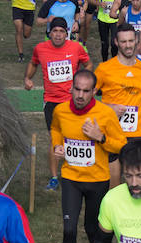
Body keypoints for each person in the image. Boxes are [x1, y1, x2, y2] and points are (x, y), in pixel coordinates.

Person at [50, 69, 128, 243]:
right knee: (69, 229)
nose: (80, 95)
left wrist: (100, 137)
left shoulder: (104, 113)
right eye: (77, 89)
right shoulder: (60, 110)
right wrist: (57, 145)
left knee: (93, 228)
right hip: (71, 178)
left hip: (97, 180)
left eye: (86, 91)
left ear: (94, 91)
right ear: (71, 88)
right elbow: (55, 128)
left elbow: (121, 145)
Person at [25, 17, 92, 192]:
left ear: (67, 33)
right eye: (55, 31)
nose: (58, 35)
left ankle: (77, 172)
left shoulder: (76, 48)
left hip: (73, 101)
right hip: (52, 102)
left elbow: (88, 63)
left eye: (61, 31)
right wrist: (27, 78)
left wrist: (83, 83)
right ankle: (54, 178)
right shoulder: (40, 49)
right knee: (55, 140)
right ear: (50, 32)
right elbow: (33, 63)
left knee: (77, 137)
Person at [94, 23, 141, 187]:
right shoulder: (104, 69)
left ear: (136, 42)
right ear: (116, 42)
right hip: (111, 132)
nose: (127, 45)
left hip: (136, 133)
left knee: (136, 183)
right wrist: (109, 108)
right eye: (123, 41)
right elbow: (87, 99)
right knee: (114, 185)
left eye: (131, 41)